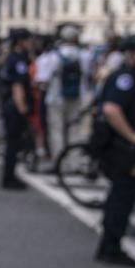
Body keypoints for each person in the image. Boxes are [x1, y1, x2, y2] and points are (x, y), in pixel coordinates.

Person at [94, 35, 135, 267]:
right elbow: (111, 109)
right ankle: (111, 247)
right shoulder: (126, 78)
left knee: (123, 195)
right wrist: (132, 135)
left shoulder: (134, 77)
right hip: (122, 147)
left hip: (126, 147)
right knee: (122, 196)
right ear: (130, 54)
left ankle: (110, 244)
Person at [42, 26, 88, 168]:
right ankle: (75, 162)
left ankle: (59, 161)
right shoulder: (85, 55)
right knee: (75, 129)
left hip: (55, 97)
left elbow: (43, 79)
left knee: (56, 130)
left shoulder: (52, 56)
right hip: (78, 96)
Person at [0, 28, 34, 190]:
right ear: (21, 41)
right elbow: (18, 86)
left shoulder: (10, 57)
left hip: (8, 104)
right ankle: (9, 178)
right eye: (28, 40)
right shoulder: (19, 60)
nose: (30, 43)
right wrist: (22, 108)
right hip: (14, 106)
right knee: (13, 144)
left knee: (12, 144)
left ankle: (9, 176)